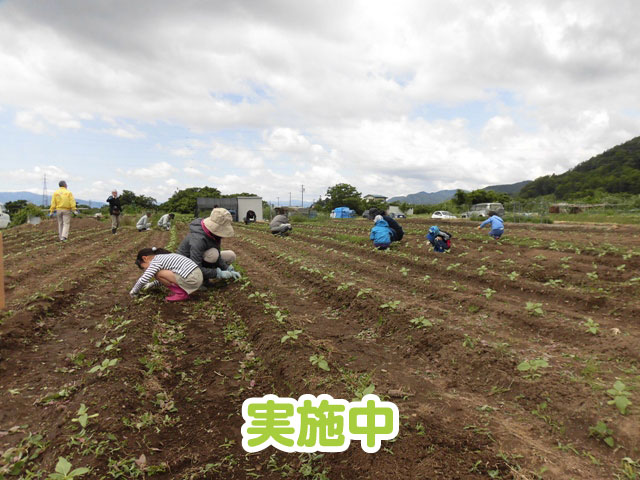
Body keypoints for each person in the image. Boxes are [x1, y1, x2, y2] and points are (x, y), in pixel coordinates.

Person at [177, 208, 240, 286]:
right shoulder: (198, 239)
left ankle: (208, 274)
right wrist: (218, 273)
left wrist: (227, 267)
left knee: (230, 255)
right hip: (187, 267)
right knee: (213, 254)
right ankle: (201, 281)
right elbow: (195, 266)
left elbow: (218, 257)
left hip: (201, 258)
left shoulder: (214, 235)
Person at [130, 247, 203, 302]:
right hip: (196, 276)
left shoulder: (155, 261)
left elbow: (144, 279)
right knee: (159, 273)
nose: (146, 270)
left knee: (157, 273)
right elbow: (168, 278)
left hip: (192, 278)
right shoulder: (163, 257)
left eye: (144, 267)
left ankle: (181, 294)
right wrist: (152, 284)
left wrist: (134, 291)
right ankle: (182, 293)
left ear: (145, 258)